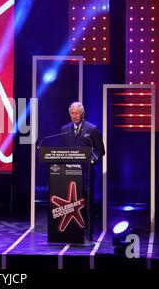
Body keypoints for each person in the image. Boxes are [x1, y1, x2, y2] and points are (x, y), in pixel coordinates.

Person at [60, 102, 105, 241]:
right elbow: (62, 151)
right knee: (70, 203)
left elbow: (100, 150)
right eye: (72, 113)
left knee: (85, 204)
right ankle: (70, 231)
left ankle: (88, 232)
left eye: (77, 113)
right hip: (68, 174)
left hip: (86, 174)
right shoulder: (64, 129)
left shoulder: (91, 129)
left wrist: (91, 161)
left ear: (82, 114)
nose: (74, 116)